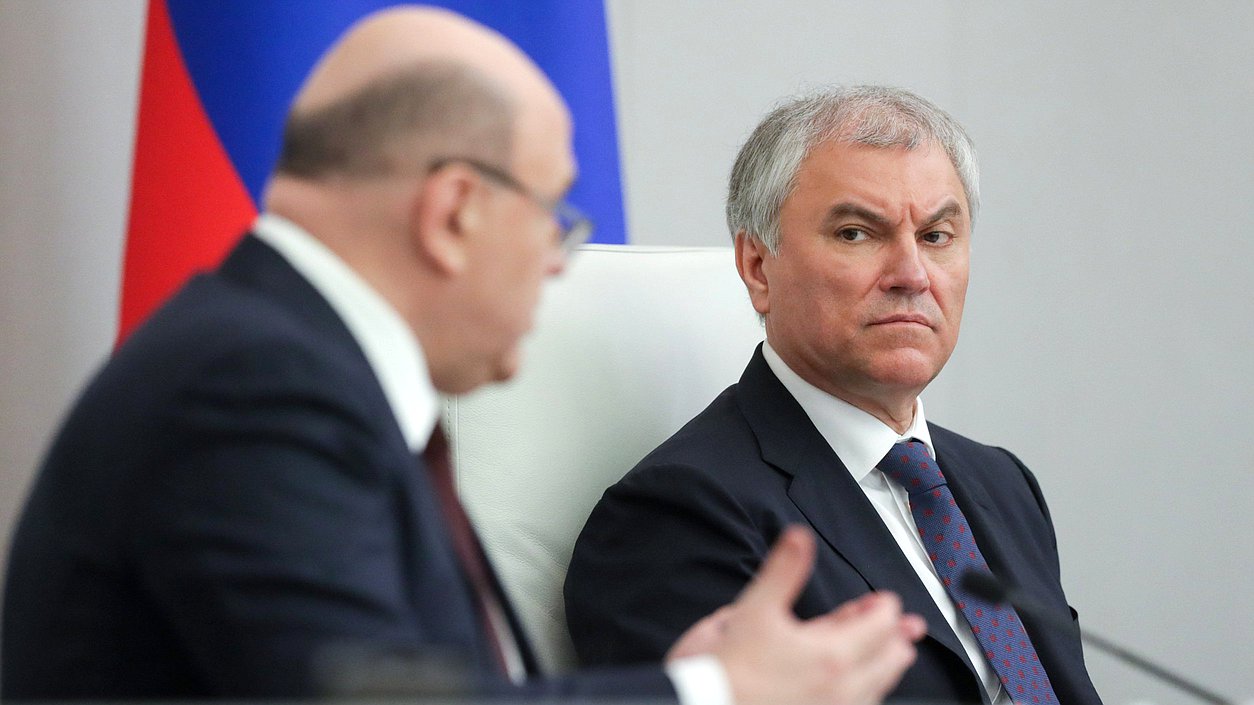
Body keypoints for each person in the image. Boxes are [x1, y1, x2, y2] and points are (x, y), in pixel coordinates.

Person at [0, 8, 927, 705]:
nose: (558, 263)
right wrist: (713, 690)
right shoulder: (251, 386)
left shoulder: (296, 368)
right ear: (452, 214)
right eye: (554, 217)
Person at [564, 86, 1104, 705]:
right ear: (758, 267)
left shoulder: (1003, 484)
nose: (912, 274)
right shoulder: (678, 514)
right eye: (856, 233)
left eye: (936, 236)